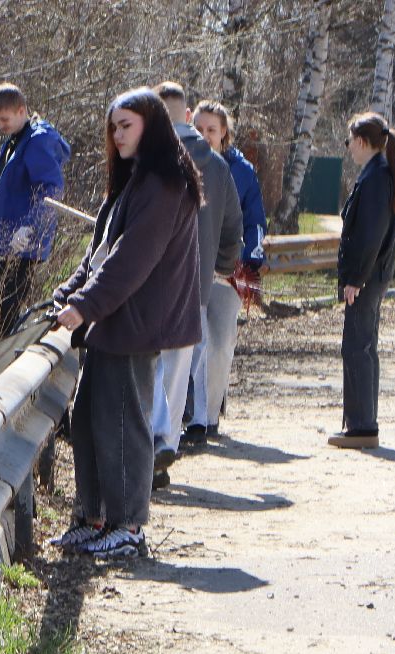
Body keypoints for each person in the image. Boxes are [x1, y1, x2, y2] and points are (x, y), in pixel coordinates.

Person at [50, 87, 202, 559]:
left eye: (126, 126)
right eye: (113, 127)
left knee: (122, 424)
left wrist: (85, 306)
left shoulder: (162, 183)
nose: (117, 136)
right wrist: (67, 295)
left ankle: (129, 525)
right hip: (113, 321)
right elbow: (99, 254)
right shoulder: (133, 180)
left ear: (151, 126)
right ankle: (94, 516)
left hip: (136, 322)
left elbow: (130, 261)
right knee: (91, 420)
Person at [149, 82, 240, 489]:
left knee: (149, 365)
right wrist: (215, 269)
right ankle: (167, 441)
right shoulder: (219, 167)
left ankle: (153, 442)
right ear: (187, 116)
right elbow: (233, 229)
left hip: (153, 284)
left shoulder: (150, 159)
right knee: (180, 366)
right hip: (197, 287)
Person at [0, 83, 71, 340]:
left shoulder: (37, 141)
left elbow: (52, 188)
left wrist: (31, 226)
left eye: (5, 119)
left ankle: (8, 355)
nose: (1, 125)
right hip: (6, 236)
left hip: (23, 238)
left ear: (21, 111)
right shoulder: (17, 139)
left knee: (6, 306)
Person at [333, 112, 395, 449]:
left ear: (361, 142)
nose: (348, 148)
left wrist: (356, 278)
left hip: (367, 278)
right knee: (362, 346)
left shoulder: (377, 176)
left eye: (349, 141)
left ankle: (362, 425)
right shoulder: (378, 172)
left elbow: (369, 235)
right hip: (370, 277)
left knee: (357, 347)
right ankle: (360, 422)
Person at [190, 100, 267, 437]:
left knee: (220, 344)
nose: (205, 136)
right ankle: (195, 418)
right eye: (199, 128)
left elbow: (253, 222)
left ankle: (211, 412)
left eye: (212, 130)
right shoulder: (181, 163)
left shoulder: (241, 171)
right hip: (190, 269)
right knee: (193, 345)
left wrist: (250, 262)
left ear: (224, 135)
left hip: (228, 272)